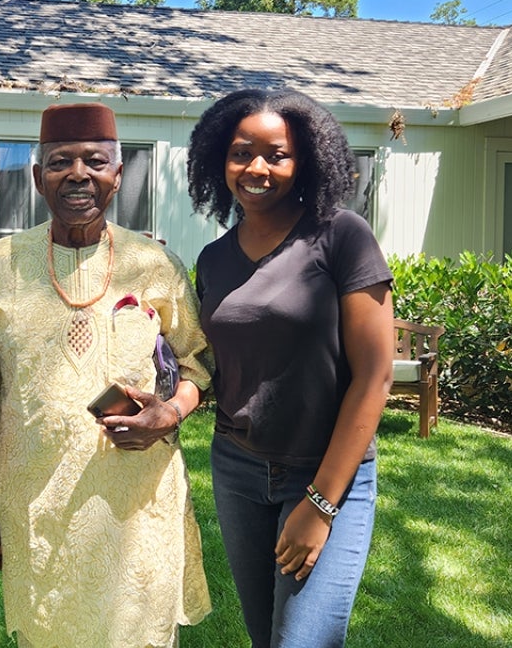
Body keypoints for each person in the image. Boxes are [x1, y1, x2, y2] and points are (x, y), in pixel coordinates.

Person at [0, 103, 212, 648]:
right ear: (38, 177)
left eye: (95, 162)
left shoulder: (154, 264)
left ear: (118, 175)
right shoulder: (0, 265)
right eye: (60, 162)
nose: (78, 175)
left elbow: (197, 364)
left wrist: (170, 413)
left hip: (137, 505)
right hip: (36, 504)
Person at [186, 88, 394, 648]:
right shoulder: (214, 259)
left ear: (305, 161)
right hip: (237, 470)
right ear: (219, 160)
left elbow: (375, 376)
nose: (256, 168)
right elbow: (215, 365)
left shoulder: (342, 236)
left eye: (276, 155)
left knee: (301, 641)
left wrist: (321, 504)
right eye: (241, 153)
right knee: (267, 639)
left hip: (326, 470)